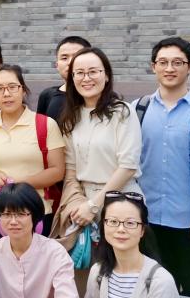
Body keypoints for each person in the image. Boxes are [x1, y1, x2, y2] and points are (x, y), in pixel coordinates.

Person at [133, 37, 190, 298]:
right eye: (163, 62)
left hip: (189, 220)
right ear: (153, 66)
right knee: (150, 287)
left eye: (178, 62)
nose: (169, 68)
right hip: (147, 219)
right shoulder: (137, 109)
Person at [57, 47, 142, 285]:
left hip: (121, 201)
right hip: (82, 204)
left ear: (106, 76)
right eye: (79, 73)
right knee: (85, 279)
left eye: (93, 71)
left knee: (120, 275)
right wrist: (78, 204)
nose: (86, 78)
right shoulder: (71, 117)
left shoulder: (122, 112)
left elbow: (128, 166)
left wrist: (93, 205)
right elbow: (70, 170)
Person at [0, 65, 65, 244]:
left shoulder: (45, 124)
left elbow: (57, 171)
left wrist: (18, 184)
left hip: (35, 210)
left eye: (12, 87)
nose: (6, 94)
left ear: (23, 90)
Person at [37, 35, 91, 124]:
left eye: (76, 57)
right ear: (57, 65)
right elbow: (40, 128)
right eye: (64, 58)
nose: (70, 62)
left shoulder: (101, 96)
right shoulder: (47, 95)